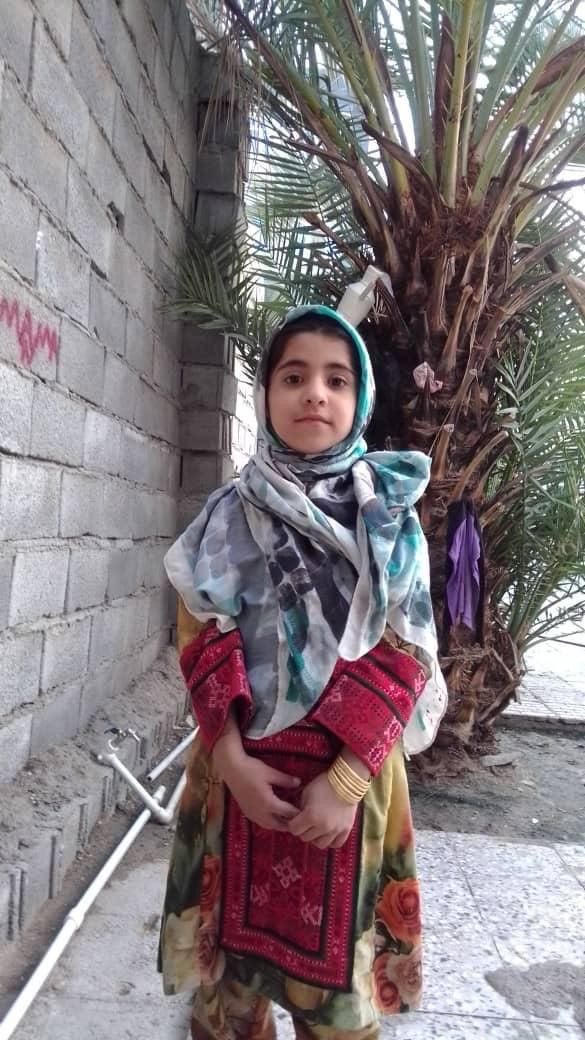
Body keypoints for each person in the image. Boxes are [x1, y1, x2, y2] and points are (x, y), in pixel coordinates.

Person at [158, 305, 446, 1040]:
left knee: (337, 1007)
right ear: (265, 395)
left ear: (360, 400)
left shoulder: (386, 521)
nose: (314, 393)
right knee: (228, 998)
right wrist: (231, 760)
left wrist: (344, 781)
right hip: (235, 781)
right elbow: (200, 632)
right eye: (293, 377)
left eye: (336, 380)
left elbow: (404, 650)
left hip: (351, 787)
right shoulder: (227, 514)